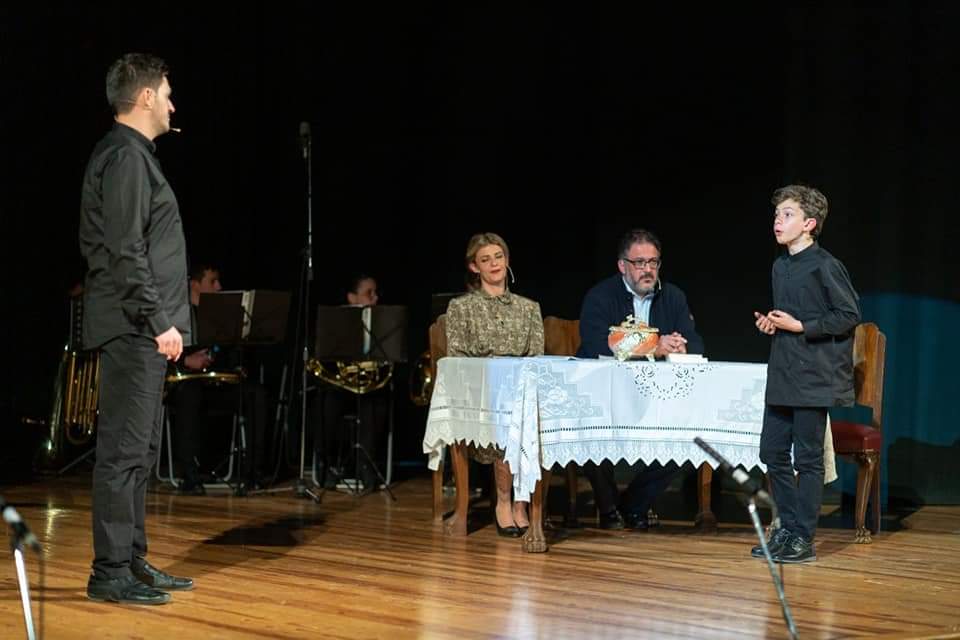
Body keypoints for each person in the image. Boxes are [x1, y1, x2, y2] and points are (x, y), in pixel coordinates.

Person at [79, 53, 192, 605]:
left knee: (141, 451)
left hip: (141, 328)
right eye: (167, 94)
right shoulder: (125, 157)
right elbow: (126, 252)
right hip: (134, 328)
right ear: (145, 97)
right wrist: (158, 321)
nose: (172, 105)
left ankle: (131, 559)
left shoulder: (135, 156)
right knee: (123, 452)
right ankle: (109, 571)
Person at [751, 185, 860, 563]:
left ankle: (803, 537)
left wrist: (802, 326)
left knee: (808, 459)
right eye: (777, 214)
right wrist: (773, 324)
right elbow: (790, 315)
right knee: (771, 451)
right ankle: (787, 527)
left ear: (809, 224)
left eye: (787, 215)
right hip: (784, 370)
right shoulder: (780, 266)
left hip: (814, 375)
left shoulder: (825, 265)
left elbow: (848, 315)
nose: (777, 221)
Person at [577, 229, 704, 530]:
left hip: (657, 394)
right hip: (605, 393)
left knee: (692, 436)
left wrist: (681, 346)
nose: (647, 269)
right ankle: (609, 507)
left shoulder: (672, 296)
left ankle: (634, 504)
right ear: (623, 265)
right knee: (585, 430)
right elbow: (596, 343)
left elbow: (696, 343)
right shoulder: (601, 295)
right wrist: (653, 346)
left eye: (653, 262)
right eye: (640, 263)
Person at [445, 233, 545, 537]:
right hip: (482, 395)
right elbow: (457, 359)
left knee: (531, 414)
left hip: (521, 392)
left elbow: (536, 357)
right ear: (474, 267)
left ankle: (521, 503)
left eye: (498, 257)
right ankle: (503, 501)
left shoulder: (529, 308)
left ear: (507, 260)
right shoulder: (461, 308)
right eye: (485, 259)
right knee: (506, 416)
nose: (494, 264)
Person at [167, 263, 268, 494]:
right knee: (189, 394)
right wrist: (187, 360)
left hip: (216, 385)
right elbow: (159, 352)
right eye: (212, 281)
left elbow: (227, 353)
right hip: (185, 384)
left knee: (256, 394)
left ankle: (254, 474)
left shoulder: (222, 315)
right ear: (195, 285)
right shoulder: (176, 314)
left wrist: (236, 365)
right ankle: (190, 477)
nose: (219, 287)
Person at [312, 274, 390, 493]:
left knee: (375, 400)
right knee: (327, 400)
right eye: (368, 293)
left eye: (375, 293)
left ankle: (367, 467)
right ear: (352, 297)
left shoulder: (383, 321)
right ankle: (326, 465)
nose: (375, 298)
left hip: (368, 385)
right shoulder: (336, 321)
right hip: (342, 384)